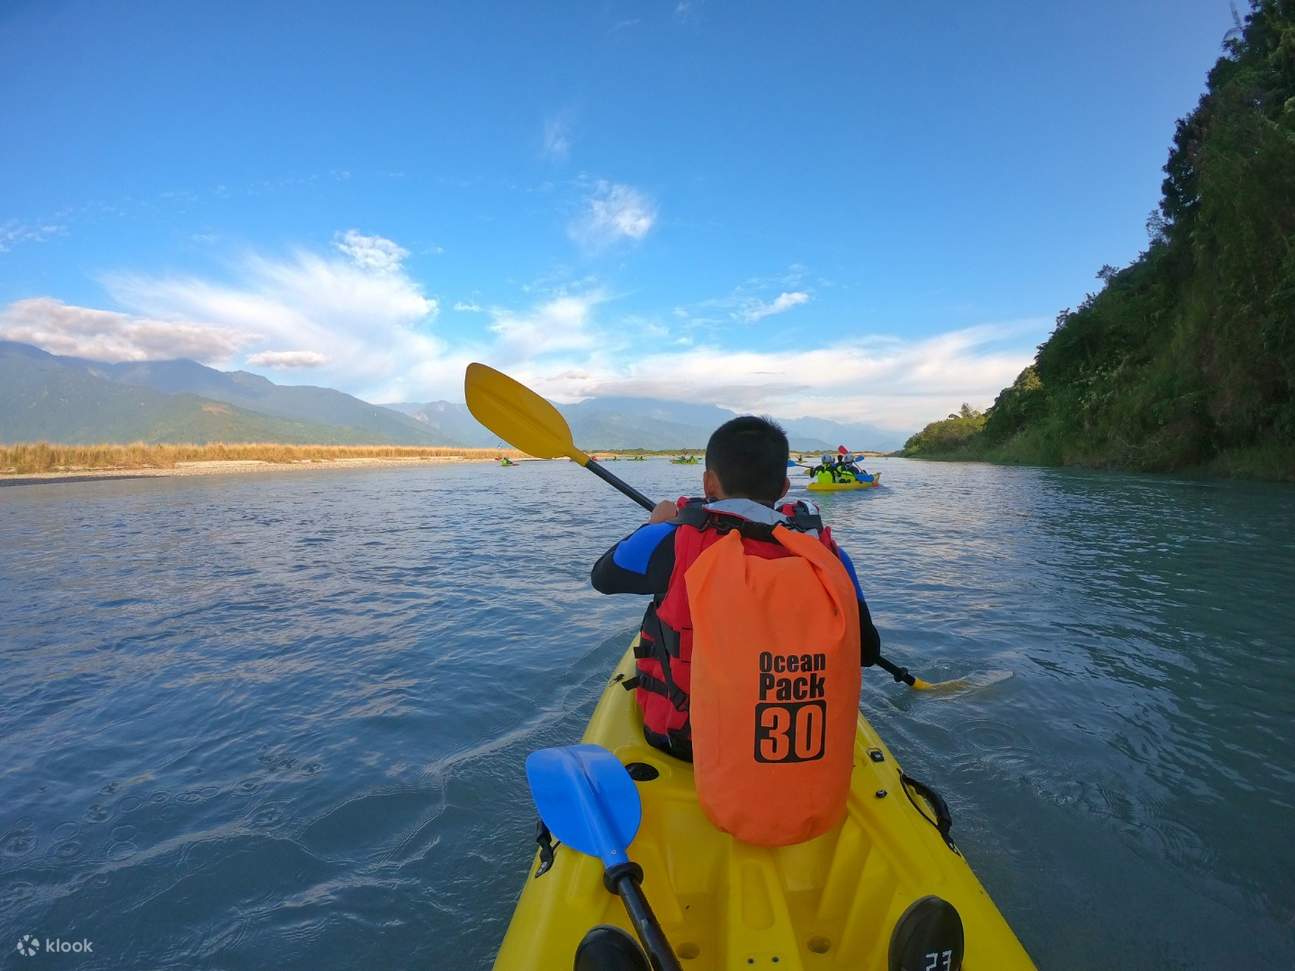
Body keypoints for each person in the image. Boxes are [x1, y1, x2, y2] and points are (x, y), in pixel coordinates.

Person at [590, 416, 882, 761]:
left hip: (688, 743)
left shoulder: (668, 538)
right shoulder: (827, 554)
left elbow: (603, 578)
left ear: (708, 483)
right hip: (792, 744)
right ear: (785, 487)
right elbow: (867, 652)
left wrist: (652, 524)